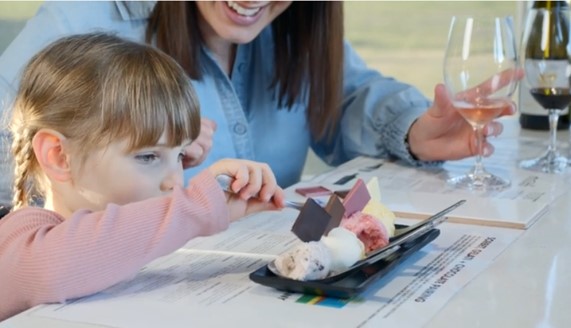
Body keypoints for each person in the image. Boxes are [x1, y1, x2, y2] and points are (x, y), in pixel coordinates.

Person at [0, 1, 517, 206]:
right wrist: (121, 139)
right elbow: (15, 147)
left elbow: (350, 94)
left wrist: (412, 129)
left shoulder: (294, 25)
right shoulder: (85, 19)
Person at [0, 32, 285, 321]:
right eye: (148, 157)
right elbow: (60, 265)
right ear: (59, 156)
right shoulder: (16, 243)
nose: (175, 181)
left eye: (180, 156)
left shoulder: (127, 249)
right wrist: (199, 206)